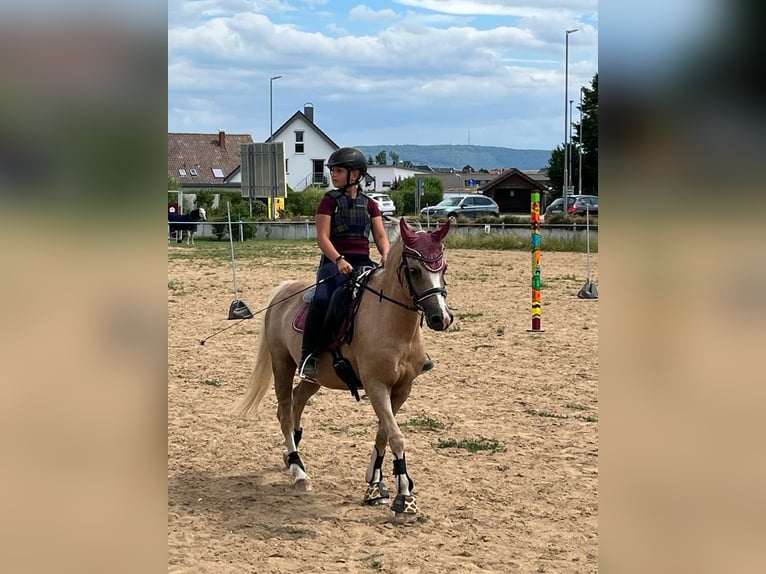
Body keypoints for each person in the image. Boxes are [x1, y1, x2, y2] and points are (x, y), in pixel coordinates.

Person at [298, 147, 390, 379]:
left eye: (338, 170)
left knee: (389, 296)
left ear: (356, 174)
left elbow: (380, 236)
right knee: (321, 300)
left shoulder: (370, 204)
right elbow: (323, 237)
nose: (333, 175)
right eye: (332, 171)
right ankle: (308, 355)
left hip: (363, 262)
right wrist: (338, 259)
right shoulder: (329, 201)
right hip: (334, 262)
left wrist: (386, 253)